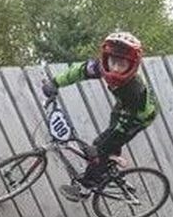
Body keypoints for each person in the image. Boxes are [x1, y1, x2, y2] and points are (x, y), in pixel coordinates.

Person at [41, 31, 158, 202]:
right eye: (113, 62)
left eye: (122, 64)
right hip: (123, 107)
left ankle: (85, 188)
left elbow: (123, 127)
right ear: (106, 58)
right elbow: (79, 71)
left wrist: (100, 149)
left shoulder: (134, 90)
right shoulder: (101, 67)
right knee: (109, 141)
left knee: (101, 146)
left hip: (139, 115)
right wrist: (55, 82)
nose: (116, 68)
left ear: (132, 65)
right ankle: (110, 164)